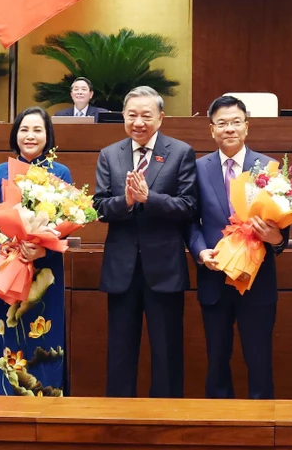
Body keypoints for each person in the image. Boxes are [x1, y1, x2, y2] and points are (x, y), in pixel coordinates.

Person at [93, 86, 198, 397]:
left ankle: (166, 421)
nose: (138, 122)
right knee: (120, 352)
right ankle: (118, 422)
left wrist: (150, 198)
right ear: (123, 117)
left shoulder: (180, 152)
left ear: (161, 118)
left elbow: (189, 207)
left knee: (167, 353)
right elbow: (99, 207)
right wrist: (125, 201)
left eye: (146, 116)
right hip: (121, 269)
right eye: (132, 115)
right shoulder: (110, 154)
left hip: (164, 268)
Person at [188, 95, 288, 399]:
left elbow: (284, 222)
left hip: (257, 280)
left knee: (259, 359)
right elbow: (190, 220)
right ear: (211, 130)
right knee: (216, 360)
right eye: (222, 123)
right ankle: (218, 426)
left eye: (235, 122)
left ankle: (262, 426)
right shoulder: (197, 168)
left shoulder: (268, 167)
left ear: (247, 127)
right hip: (214, 275)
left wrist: (276, 239)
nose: (229, 128)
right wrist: (199, 251)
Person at [0, 107, 71, 396]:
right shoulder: (1, 171)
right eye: (24, 130)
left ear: (48, 135)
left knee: (46, 337)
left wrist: (42, 251)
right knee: (8, 334)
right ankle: (3, 404)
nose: (30, 136)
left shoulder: (60, 172)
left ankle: (47, 404)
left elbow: (68, 221)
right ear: (15, 135)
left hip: (47, 272)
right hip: (9, 269)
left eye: (37, 130)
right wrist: (2, 242)